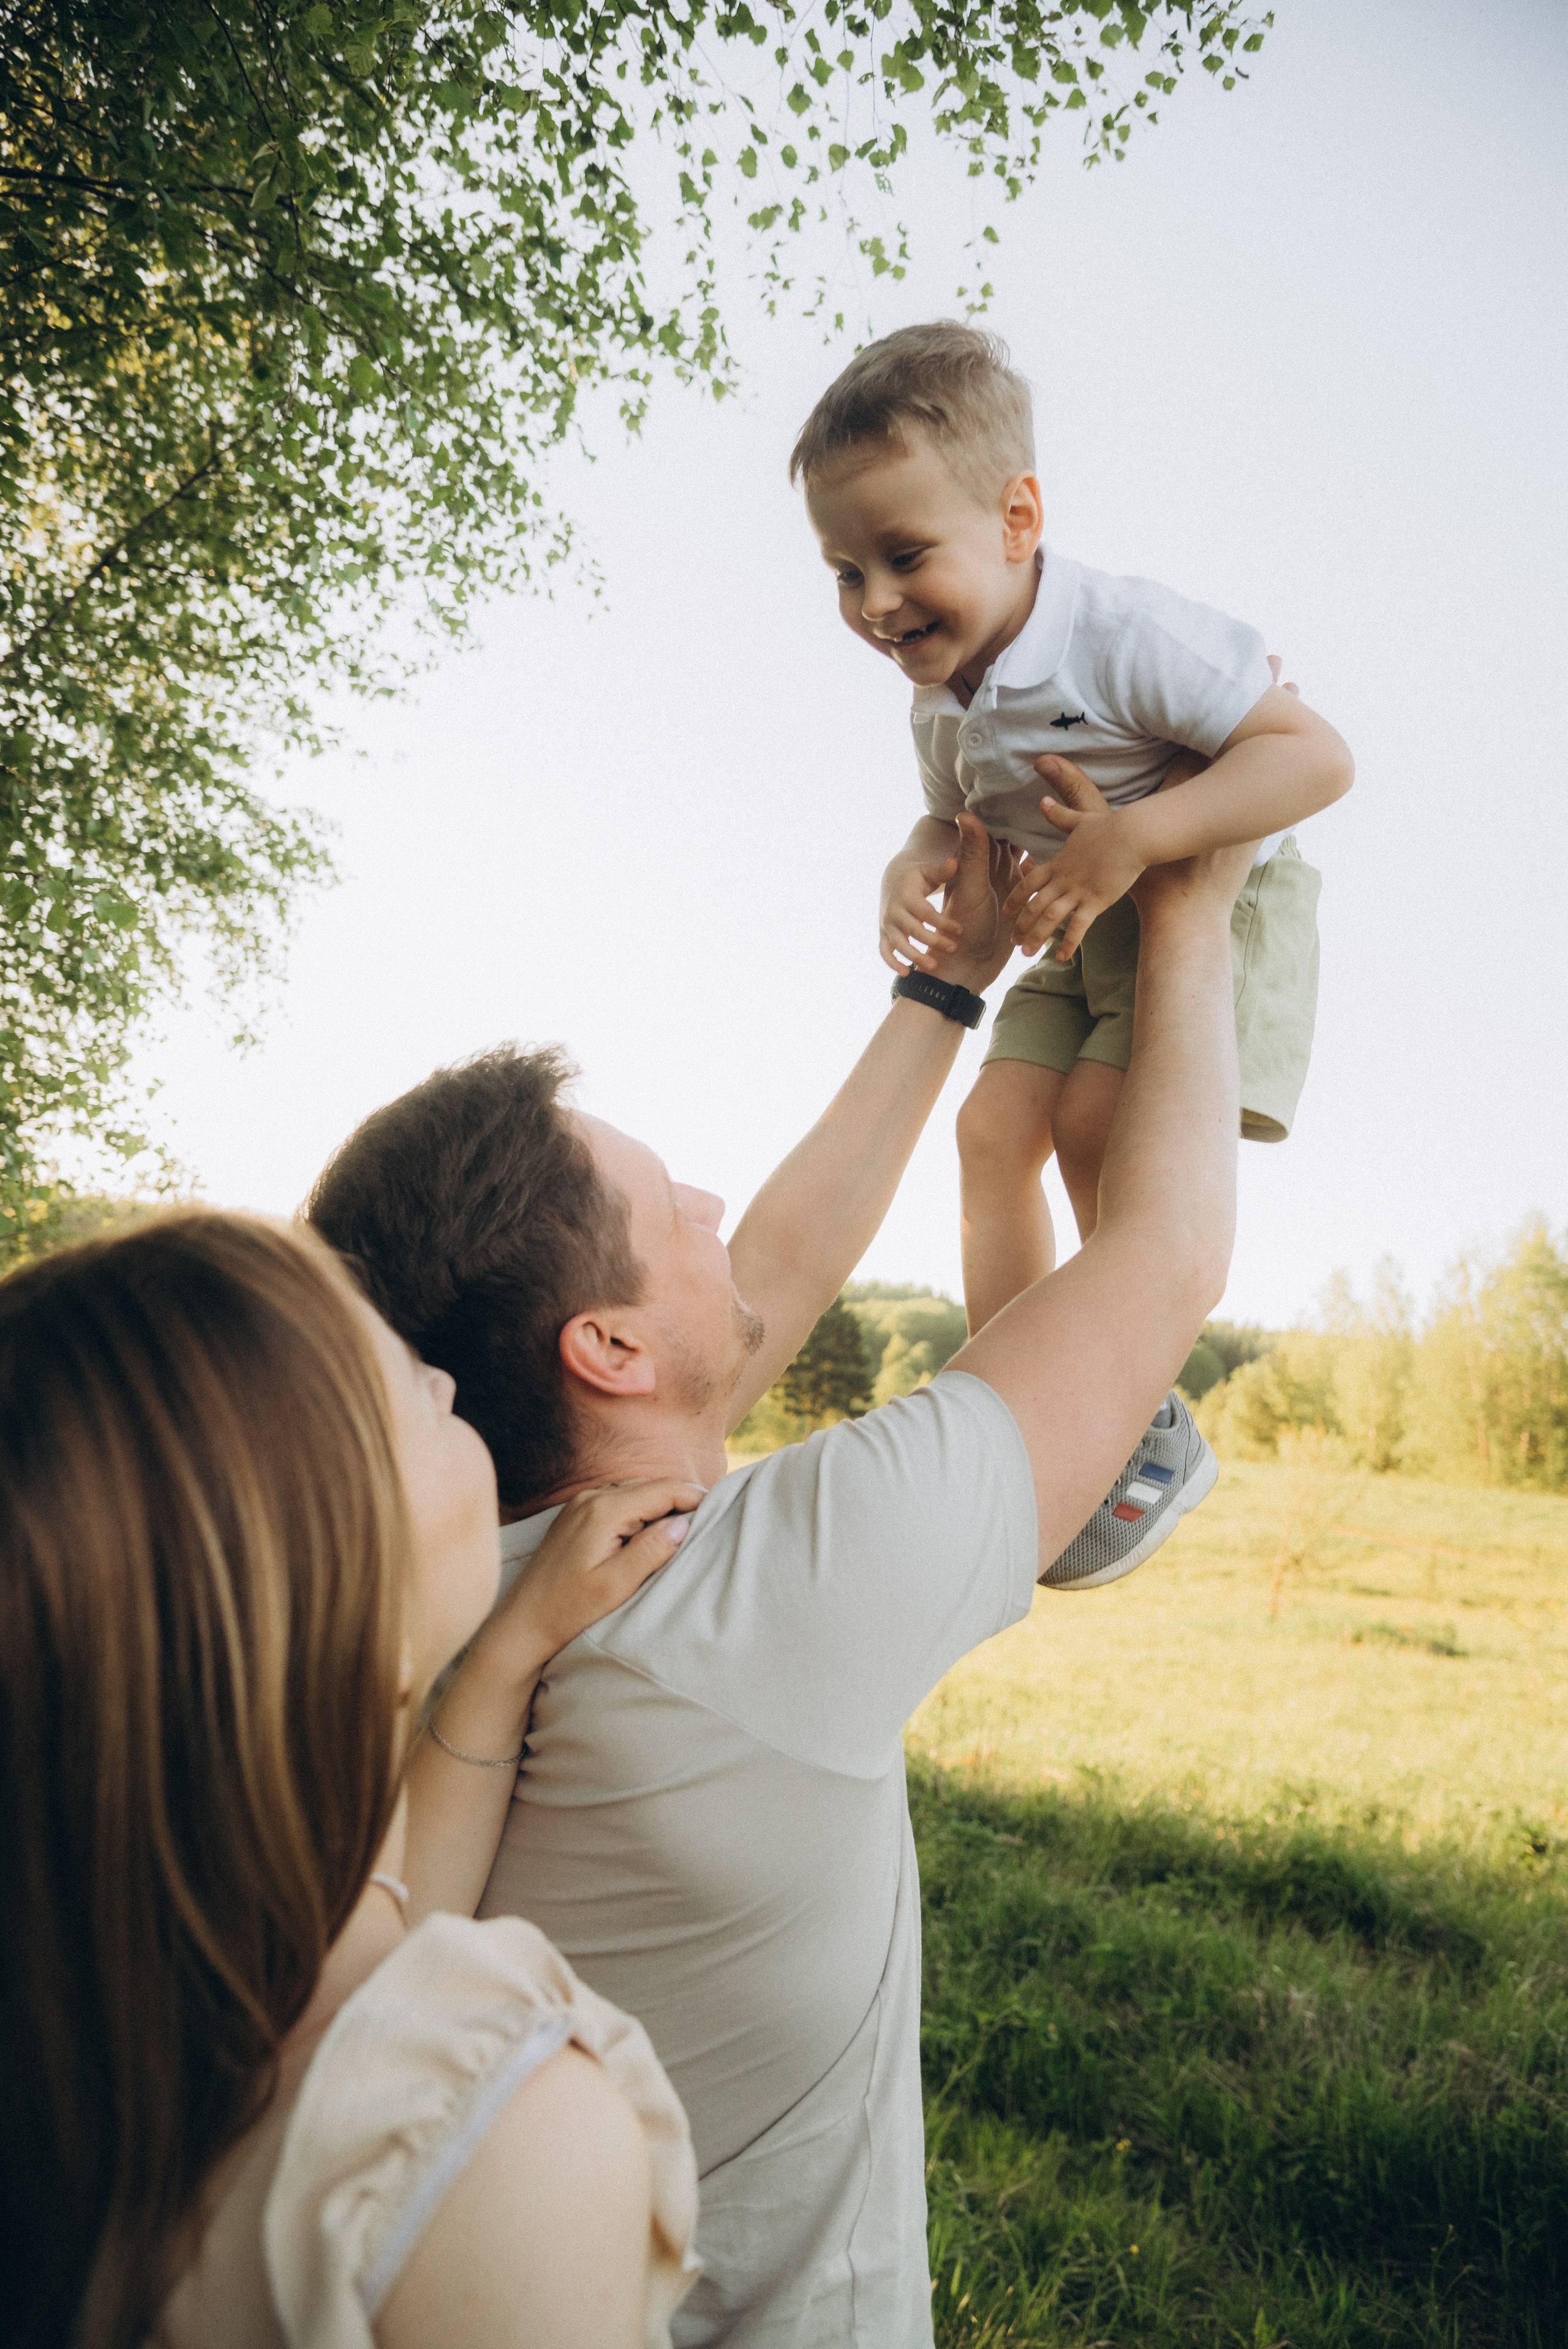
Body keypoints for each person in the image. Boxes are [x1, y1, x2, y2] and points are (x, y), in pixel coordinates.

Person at [305, 802, 1252, 2347]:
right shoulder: (755, 1607)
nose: (711, 1210)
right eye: (666, 1205)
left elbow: (774, 1273)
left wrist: (944, 982)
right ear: (607, 1350)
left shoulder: (437, 1576)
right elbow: (1161, 1256)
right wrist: (1198, 910)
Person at [0, 1209, 701, 2349]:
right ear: (328, 1583)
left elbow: (382, 1909)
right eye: (414, 1391)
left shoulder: (98, 2037)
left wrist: (505, 1655)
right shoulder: (491, 2141)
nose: (448, 1381)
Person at [791, 319, 1354, 1581]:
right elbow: (947, 814)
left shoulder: (1123, 635)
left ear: (1017, 518)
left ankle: (1130, 1405)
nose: (875, 603)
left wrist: (1138, 836)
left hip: (1208, 901)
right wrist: (912, 859)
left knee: (1097, 1126)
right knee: (991, 1134)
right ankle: (1025, 1421)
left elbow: (1315, 757)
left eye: (903, 556)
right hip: (1072, 918)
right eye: (844, 571)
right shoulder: (940, 698)